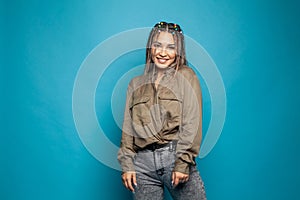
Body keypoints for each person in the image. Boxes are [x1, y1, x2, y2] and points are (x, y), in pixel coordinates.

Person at [118, 21, 206, 200]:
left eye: (171, 47)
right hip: (142, 165)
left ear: (178, 51)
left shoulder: (186, 76)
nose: (163, 53)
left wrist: (182, 163)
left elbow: (192, 122)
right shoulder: (136, 84)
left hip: (174, 156)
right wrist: (127, 165)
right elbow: (128, 130)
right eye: (157, 45)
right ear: (150, 48)